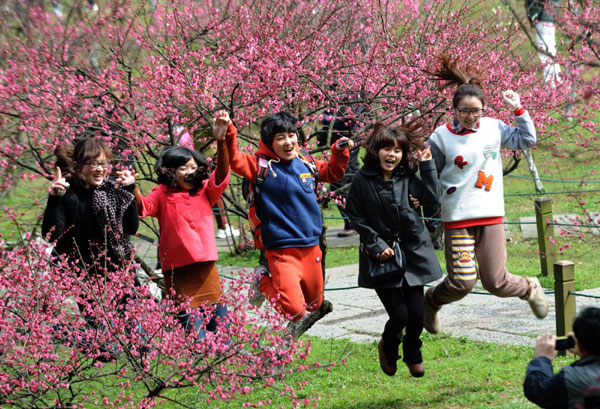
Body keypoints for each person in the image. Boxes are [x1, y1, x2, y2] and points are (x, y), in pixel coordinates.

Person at [423, 55, 549, 335]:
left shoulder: (494, 128)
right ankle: (431, 302)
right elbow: (431, 177)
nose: (471, 116)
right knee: (461, 283)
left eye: (476, 111)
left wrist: (518, 109)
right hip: (457, 217)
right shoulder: (440, 137)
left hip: (490, 214)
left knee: (496, 281)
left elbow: (528, 140)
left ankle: (530, 288)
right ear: (453, 109)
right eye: (464, 111)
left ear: (484, 109)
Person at [225, 111, 352, 338]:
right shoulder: (259, 166)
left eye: (292, 135)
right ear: (269, 142)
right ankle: (262, 278)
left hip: (311, 248)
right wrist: (228, 131)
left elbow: (332, 173)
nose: (288, 142)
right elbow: (234, 158)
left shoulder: (306, 162)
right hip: (282, 252)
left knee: (314, 304)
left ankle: (272, 283)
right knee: (294, 311)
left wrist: (339, 152)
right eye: (280, 137)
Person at [345, 121, 443, 378]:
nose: (392, 155)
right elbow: (356, 215)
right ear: (376, 151)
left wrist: (427, 166)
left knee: (417, 315)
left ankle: (413, 350)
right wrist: (377, 245)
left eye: (398, 150)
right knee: (399, 315)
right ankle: (389, 346)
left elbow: (433, 201)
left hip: (413, 253)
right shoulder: (362, 180)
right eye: (387, 149)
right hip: (382, 259)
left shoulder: (408, 178)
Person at [132, 110, 231, 339]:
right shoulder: (162, 194)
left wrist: (221, 141)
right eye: (183, 168)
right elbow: (143, 208)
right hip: (177, 271)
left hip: (205, 270)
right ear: (170, 172)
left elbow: (223, 174)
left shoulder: (206, 190)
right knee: (194, 336)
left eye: (193, 167)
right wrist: (132, 188)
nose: (190, 172)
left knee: (222, 330)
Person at [42, 138, 140, 360]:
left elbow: (131, 227)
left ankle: (140, 363)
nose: (99, 169)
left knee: (139, 334)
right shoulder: (68, 194)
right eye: (93, 164)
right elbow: (52, 235)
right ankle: (63, 334)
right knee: (104, 351)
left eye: (104, 164)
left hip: (117, 267)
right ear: (79, 167)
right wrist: (55, 199)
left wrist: (130, 191)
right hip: (84, 272)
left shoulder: (114, 190)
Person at [524, 307, 600, 408]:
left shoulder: (575, 378)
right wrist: (586, 352)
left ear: (579, 344)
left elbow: (538, 390)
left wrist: (542, 358)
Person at [317, 108, 360, 237]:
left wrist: (325, 119)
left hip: (348, 144)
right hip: (338, 145)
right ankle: (354, 222)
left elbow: (352, 117)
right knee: (349, 181)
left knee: (339, 184)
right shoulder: (335, 94)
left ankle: (352, 223)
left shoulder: (350, 96)